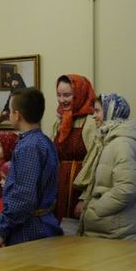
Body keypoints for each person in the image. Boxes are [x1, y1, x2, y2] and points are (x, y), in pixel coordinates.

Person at [74, 93, 136, 240]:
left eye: (97, 111)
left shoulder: (122, 144)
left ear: (110, 112)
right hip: (112, 231)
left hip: (120, 234)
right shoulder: (108, 141)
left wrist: (97, 209)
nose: (94, 116)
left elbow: (127, 188)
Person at [0, 88, 64, 246]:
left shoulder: (29, 146)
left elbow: (24, 195)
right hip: (40, 223)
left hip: (29, 228)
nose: (9, 114)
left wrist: (3, 228)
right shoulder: (43, 140)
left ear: (17, 115)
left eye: (10, 110)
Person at [51, 74, 97, 222]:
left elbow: (94, 162)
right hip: (60, 187)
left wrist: (85, 197)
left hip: (79, 189)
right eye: (58, 95)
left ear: (79, 94)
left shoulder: (90, 122)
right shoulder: (59, 122)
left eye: (67, 95)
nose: (61, 100)